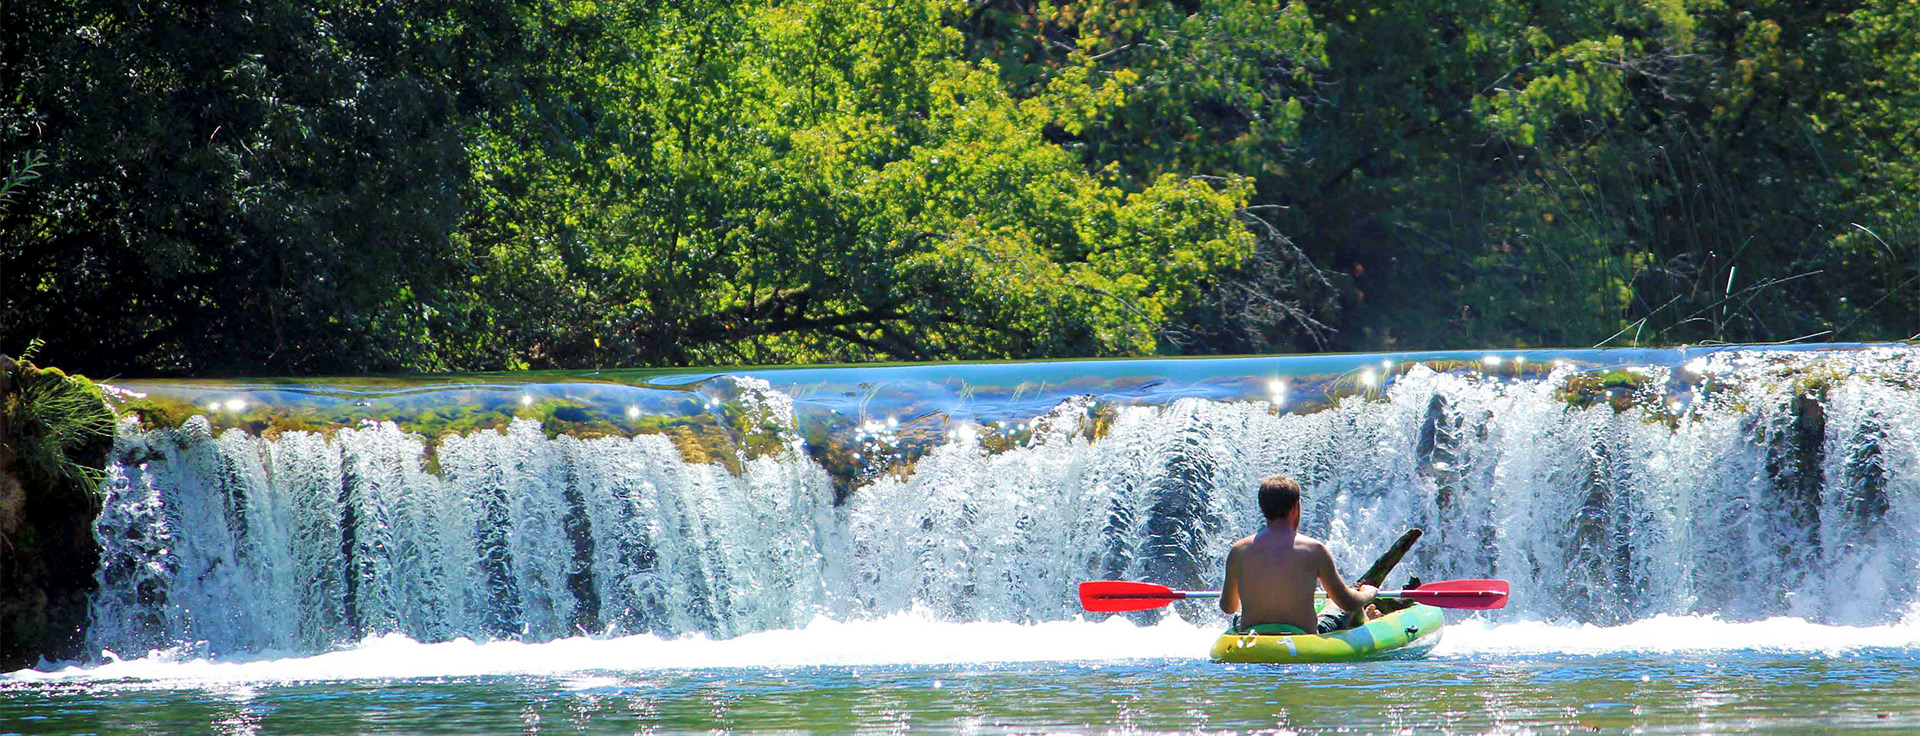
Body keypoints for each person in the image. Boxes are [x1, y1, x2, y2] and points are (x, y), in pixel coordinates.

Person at [1219, 474, 1377, 635]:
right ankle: (1368, 619)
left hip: (1252, 634)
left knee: (1241, 612)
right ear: (1295, 508)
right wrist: (1368, 594)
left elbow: (1228, 607)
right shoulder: (1314, 549)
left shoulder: (1239, 549)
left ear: (1262, 508)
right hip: (1302, 637)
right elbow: (1347, 602)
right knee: (1338, 604)